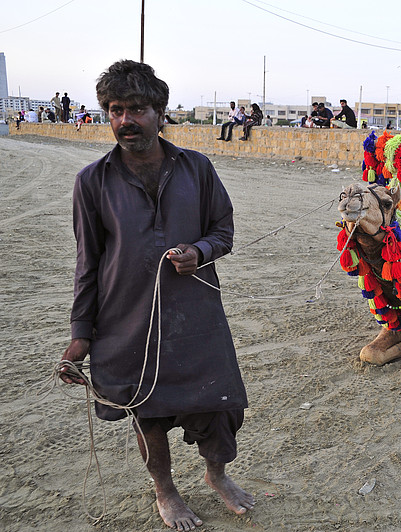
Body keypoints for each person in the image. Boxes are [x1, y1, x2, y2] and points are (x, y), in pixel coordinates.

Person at [59, 59, 253, 530]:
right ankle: (165, 490)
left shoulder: (197, 168)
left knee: (221, 405)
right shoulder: (92, 182)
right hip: (127, 319)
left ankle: (215, 474)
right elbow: (89, 263)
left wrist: (199, 250)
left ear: (160, 112)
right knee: (147, 411)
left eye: (138, 109)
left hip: (197, 316)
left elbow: (223, 230)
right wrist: (80, 334)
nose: (125, 120)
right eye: (115, 109)